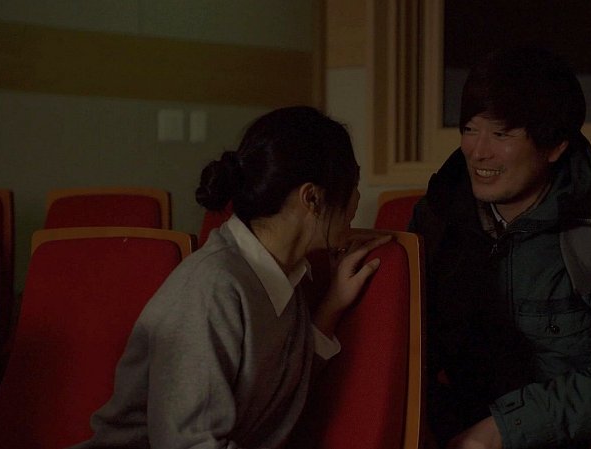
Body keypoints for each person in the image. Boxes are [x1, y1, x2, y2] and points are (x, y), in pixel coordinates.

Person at [71, 106, 391, 448]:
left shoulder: (284, 275)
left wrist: (332, 305)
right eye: (352, 184)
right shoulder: (213, 286)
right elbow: (189, 443)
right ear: (311, 198)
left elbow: (276, 389)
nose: (357, 199)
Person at [410, 47, 591, 449]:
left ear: (554, 146)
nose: (478, 151)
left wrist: (501, 430)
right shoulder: (437, 218)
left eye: (501, 134)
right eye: (469, 129)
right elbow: (408, 356)